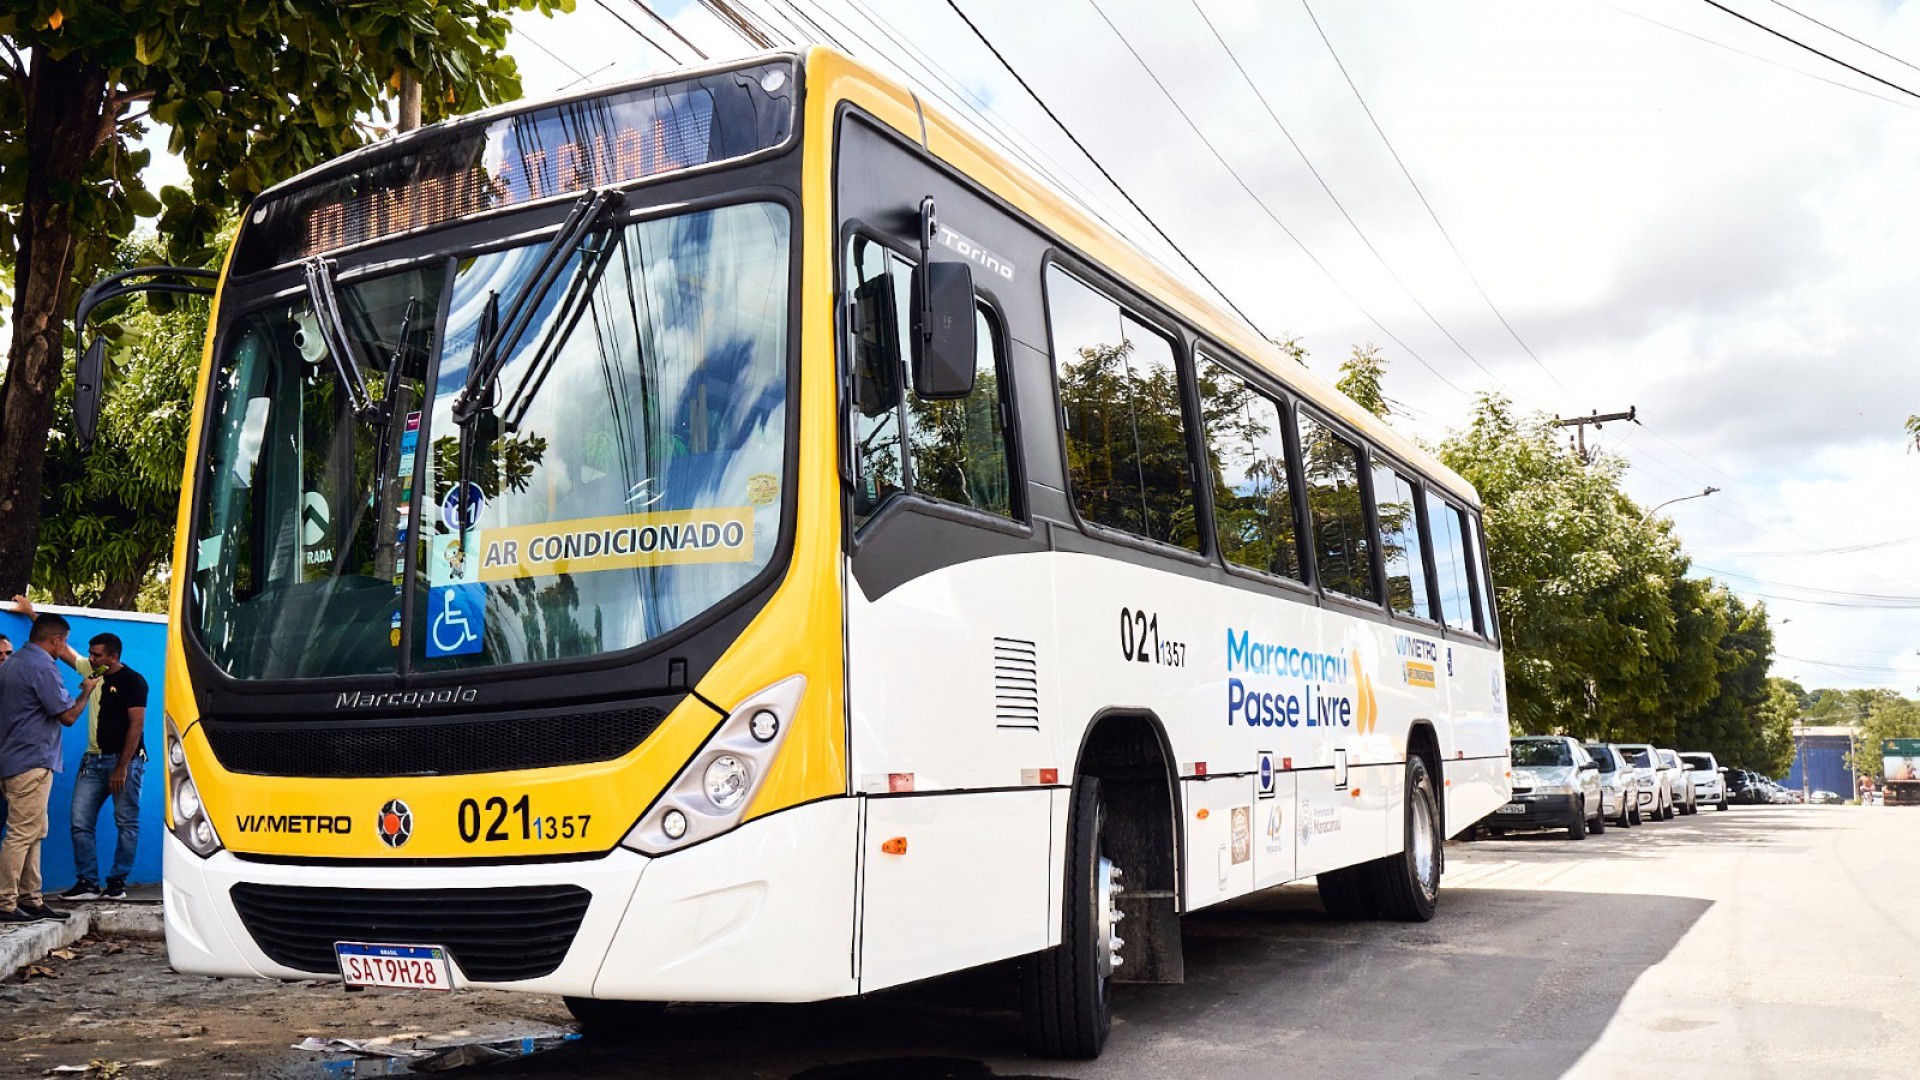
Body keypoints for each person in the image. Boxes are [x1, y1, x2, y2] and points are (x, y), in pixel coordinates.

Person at [0, 612, 100, 923]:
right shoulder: (41, 666)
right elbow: (67, 716)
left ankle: (32, 898)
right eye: (64, 642)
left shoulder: (13, 663)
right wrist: (86, 692)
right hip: (32, 761)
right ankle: (5, 902)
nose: (63, 648)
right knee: (21, 834)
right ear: (55, 640)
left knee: (34, 831)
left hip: (13, 760)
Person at [60, 633, 147, 902]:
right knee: (80, 821)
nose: (92, 659)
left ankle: (117, 882)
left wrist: (122, 766)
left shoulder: (133, 681)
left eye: (97, 655)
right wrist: (31, 614)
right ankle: (87, 882)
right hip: (93, 762)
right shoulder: (92, 672)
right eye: (91, 654)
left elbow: (136, 726)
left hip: (125, 762)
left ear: (113, 656)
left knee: (126, 822)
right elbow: (59, 646)